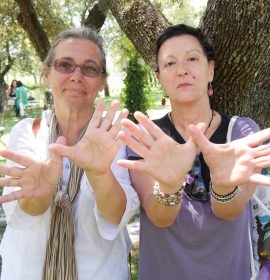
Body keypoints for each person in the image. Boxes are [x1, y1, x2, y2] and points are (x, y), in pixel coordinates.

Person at [117, 24, 269, 280]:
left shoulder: (242, 132)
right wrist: (169, 185)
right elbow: (159, 217)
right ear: (159, 77)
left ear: (211, 69)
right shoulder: (146, 138)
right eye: (170, 64)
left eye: (192, 59)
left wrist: (222, 185)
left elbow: (229, 211)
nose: (182, 70)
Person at [0, 27, 139, 280]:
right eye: (65, 65)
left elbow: (115, 216)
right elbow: (25, 211)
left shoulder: (113, 137)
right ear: (46, 74)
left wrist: (99, 173)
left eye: (89, 68)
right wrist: (40, 195)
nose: (77, 75)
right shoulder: (27, 132)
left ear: (101, 82)